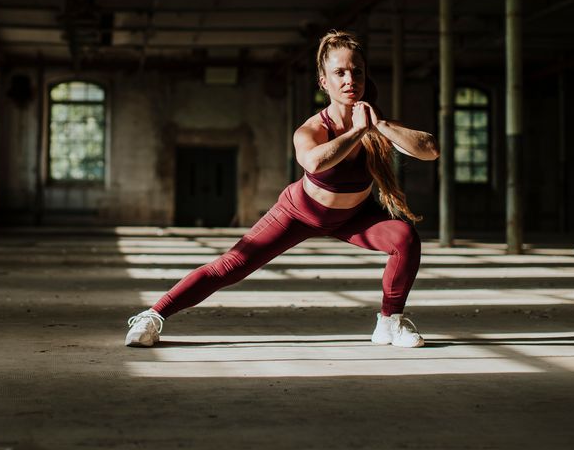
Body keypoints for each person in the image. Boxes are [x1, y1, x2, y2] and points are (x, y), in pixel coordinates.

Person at [125, 30, 440, 348]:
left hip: (354, 216)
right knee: (231, 265)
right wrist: (357, 132)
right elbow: (314, 162)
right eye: (340, 73)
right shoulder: (313, 128)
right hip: (300, 212)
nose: (350, 80)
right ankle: (152, 316)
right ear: (324, 81)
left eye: (357, 71)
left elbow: (430, 149)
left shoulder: (375, 124)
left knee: (404, 238)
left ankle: (390, 322)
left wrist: (379, 126)